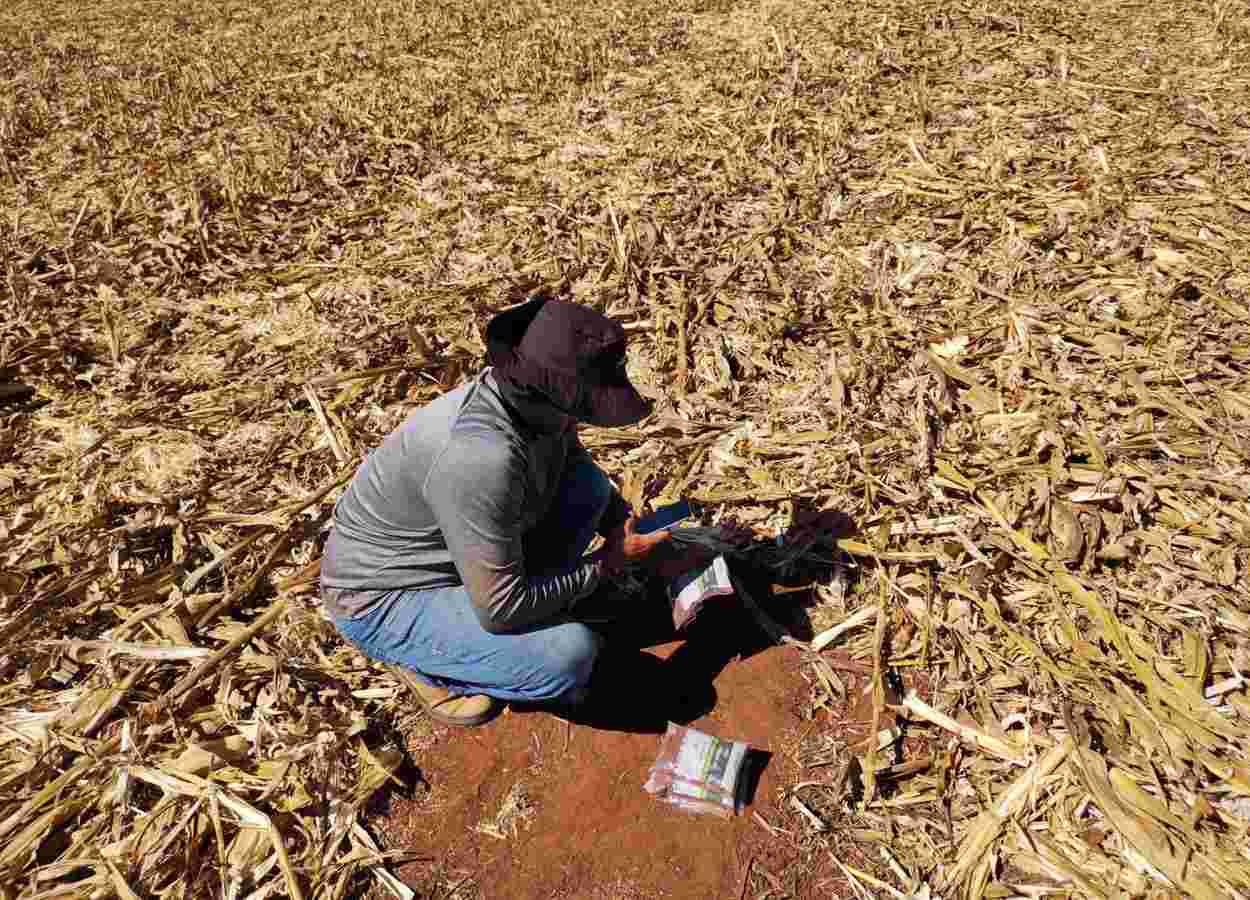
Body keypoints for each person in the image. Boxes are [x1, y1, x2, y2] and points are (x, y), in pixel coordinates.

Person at [319, 296, 676, 726]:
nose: (581, 419)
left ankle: (496, 623)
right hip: (386, 597)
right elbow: (503, 608)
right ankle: (427, 661)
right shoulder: (481, 458)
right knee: (569, 656)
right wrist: (605, 565)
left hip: (464, 556)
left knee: (589, 491)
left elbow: (573, 461)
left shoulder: (531, 406)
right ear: (543, 394)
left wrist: (623, 521)